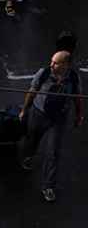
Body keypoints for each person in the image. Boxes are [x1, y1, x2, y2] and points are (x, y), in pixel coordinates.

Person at [19, 50, 83, 203]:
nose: (51, 65)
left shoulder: (73, 78)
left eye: (56, 63)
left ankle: (48, 186)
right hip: (39, 113)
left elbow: (77, 98)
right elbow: (32, 91)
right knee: (32, 139)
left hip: (58, 118)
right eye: (52, 61)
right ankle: (29, 156)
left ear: (66, 65)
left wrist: (79, 115)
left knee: (53, 151)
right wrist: (24, 110)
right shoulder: (44, 73)